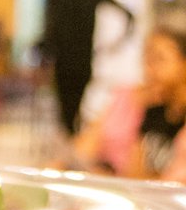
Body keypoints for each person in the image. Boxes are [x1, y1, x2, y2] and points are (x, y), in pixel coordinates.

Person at [71, 23, 186, 178]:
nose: (149, 69)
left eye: (160, 59)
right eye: (147, 59)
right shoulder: (154, 109)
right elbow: (135, 174)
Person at [40, 0, 135, 135]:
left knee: (66, 109)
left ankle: (71, 143)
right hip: (82, 60)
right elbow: (129, 15)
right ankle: (72, 142)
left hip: (63, 61)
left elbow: (48, 28)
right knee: (74, 107)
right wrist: (116, 43)